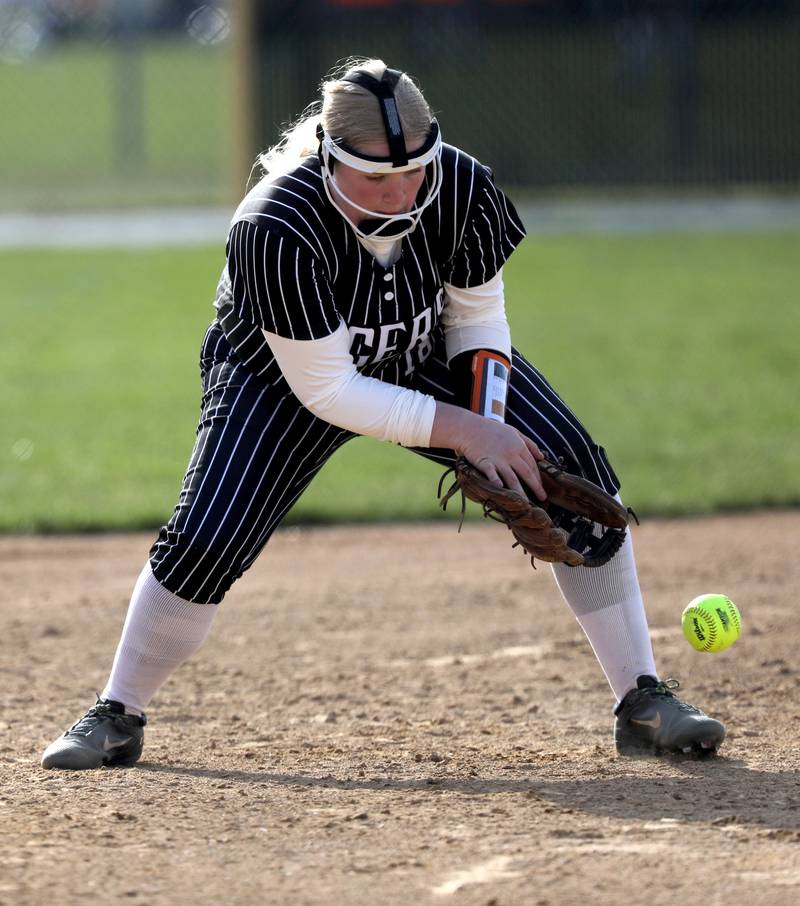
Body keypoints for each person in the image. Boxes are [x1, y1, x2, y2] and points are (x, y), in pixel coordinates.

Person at [41, 59, 725, 770]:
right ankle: (118, 711)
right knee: (207, 538)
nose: (401, 192)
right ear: (331, 158)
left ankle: (642, 702)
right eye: (374, 178)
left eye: (415, 171)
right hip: (278, 376)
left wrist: (486, 423)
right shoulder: (275, 227)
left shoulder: (460, 186)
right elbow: (330, 391)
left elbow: (479, 316)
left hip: (420, 349)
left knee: (572, 476)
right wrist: (463, 430)